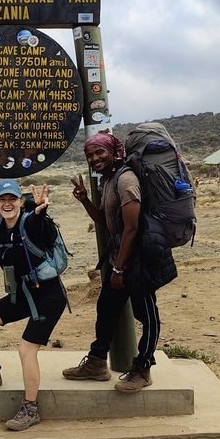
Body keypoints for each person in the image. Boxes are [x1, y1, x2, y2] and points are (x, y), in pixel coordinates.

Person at [63, 132, 176, 391]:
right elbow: (106, 221)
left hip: (139, 261)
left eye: (99, 152)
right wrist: (84, 201)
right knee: (106, 310)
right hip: (122, 258)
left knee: (147, 315)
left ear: (113, 152)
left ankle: (143, 368)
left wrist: (119, 269)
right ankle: (96, 362)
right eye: (89, 155)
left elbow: (132, 228)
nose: (94, 158)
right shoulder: (110, 181)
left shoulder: (125, 180)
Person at [0, 180, 66, 431]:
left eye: (12, 199)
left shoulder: (30, 221)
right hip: (21, 294)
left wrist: (41, 212)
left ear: (21, 201)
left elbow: (36, 226)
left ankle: (30, 408)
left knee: (25, 350)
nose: (7, 204)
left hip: (48, 296)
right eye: (1, 199)